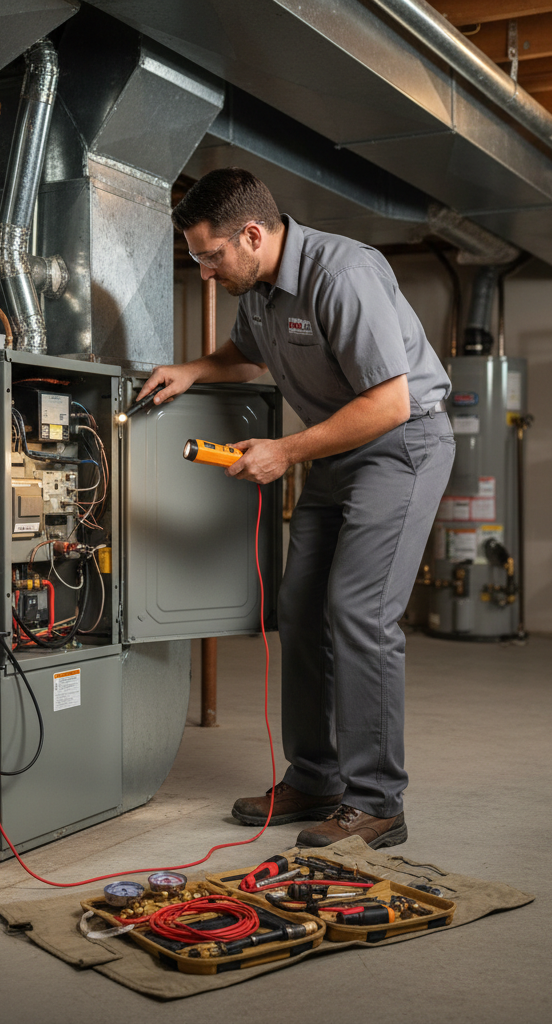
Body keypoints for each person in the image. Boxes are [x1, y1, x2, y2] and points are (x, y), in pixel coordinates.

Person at [138, 168, 453, 849]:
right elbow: (243, 357)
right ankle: (318, 775)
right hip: (337, 450)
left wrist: (284, 451)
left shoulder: (344, 275)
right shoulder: (260, 288)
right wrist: (193, 369)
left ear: (251, 235)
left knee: (359, 612)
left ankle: (378, 803)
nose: (207, 273)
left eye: (210, 256)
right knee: (301, 607)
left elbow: (391, 402)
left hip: (401, 445)